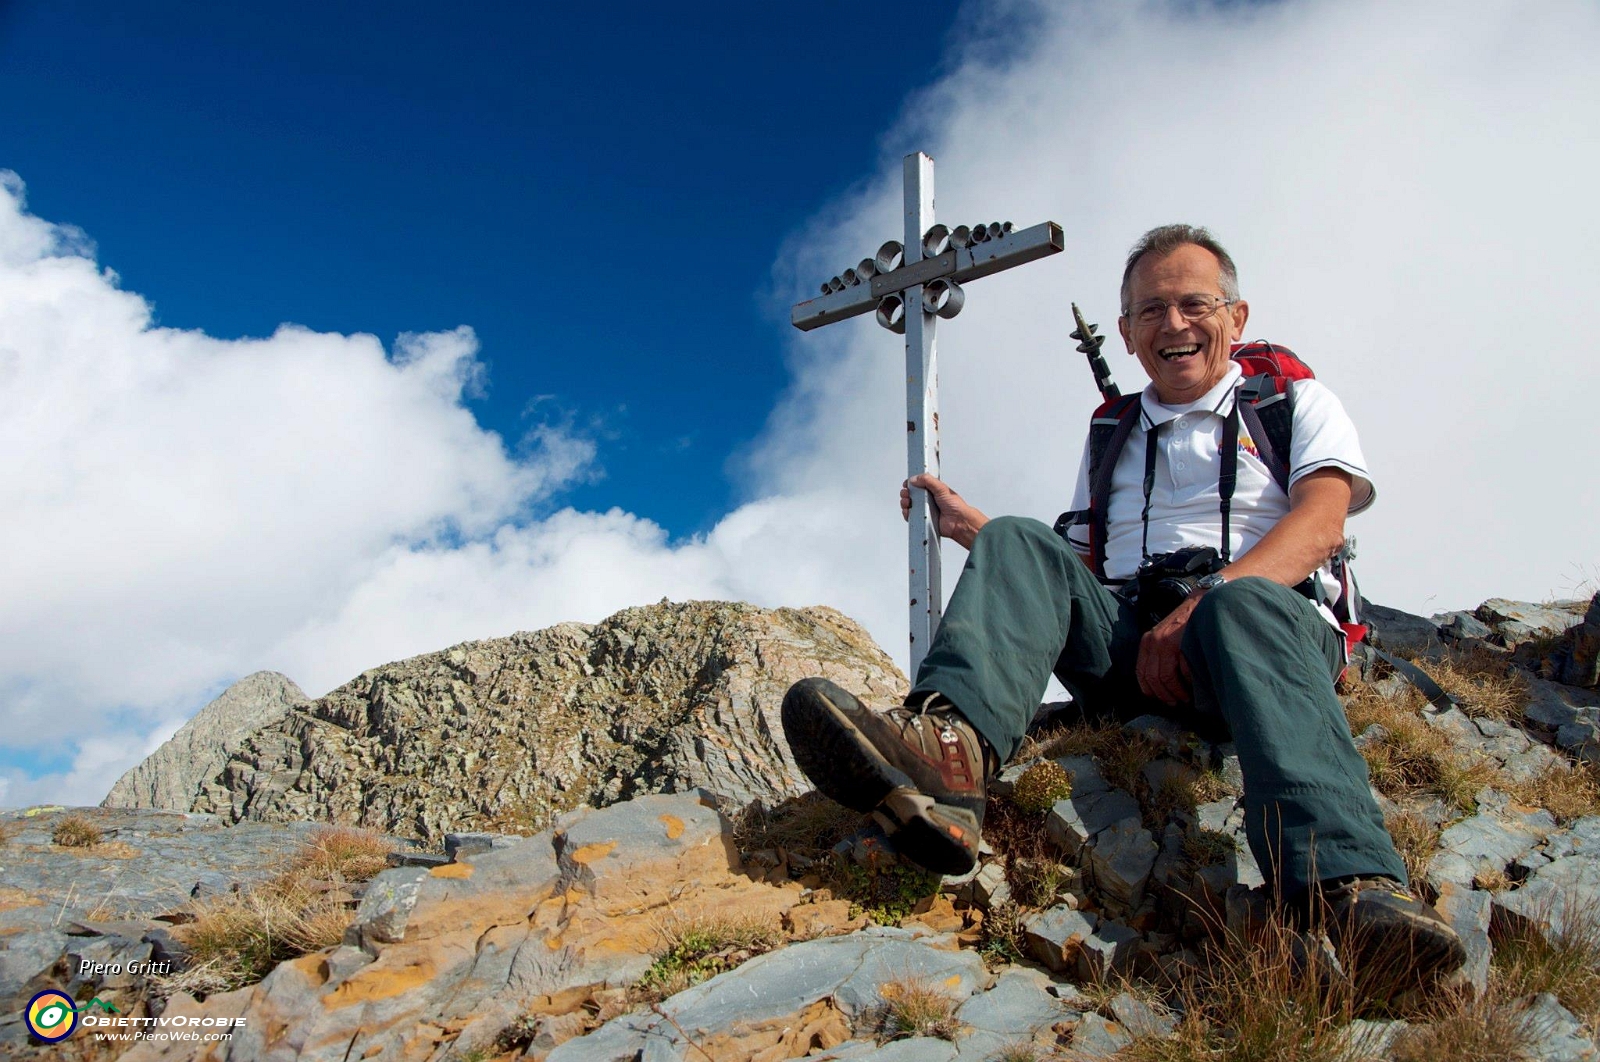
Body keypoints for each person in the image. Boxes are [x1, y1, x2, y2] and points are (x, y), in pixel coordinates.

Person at [781, 224, 1465, 981]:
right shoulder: (1112, 431)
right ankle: (949, 764)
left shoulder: (1291, 400)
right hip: (1138, 642)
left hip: (1262, 635)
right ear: (1128, 334)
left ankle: (1348, 886)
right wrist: (979, 530)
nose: (1173, 325)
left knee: (1244, 608)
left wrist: (1210, 597)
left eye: (1194, 303)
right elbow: (1073, 565)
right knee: (1019, 535)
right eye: (1150, 311)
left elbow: (1320, 522)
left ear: (1236, 318)